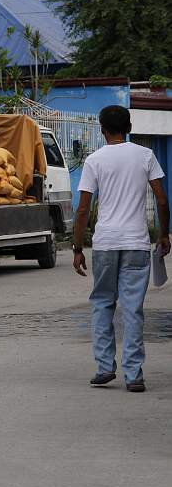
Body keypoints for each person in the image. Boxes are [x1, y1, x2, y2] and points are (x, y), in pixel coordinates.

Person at [72, 106, 170, 393]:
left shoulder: (94, 160)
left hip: (105, 243)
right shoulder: (145, 156)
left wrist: (77, 247)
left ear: (102, 128)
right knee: (132, 309)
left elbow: (82, 210)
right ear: (129, 126)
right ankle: (134, 375)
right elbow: (162, 201)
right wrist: (164, 235)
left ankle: (104, 368)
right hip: (137, 243)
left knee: (103, 303)